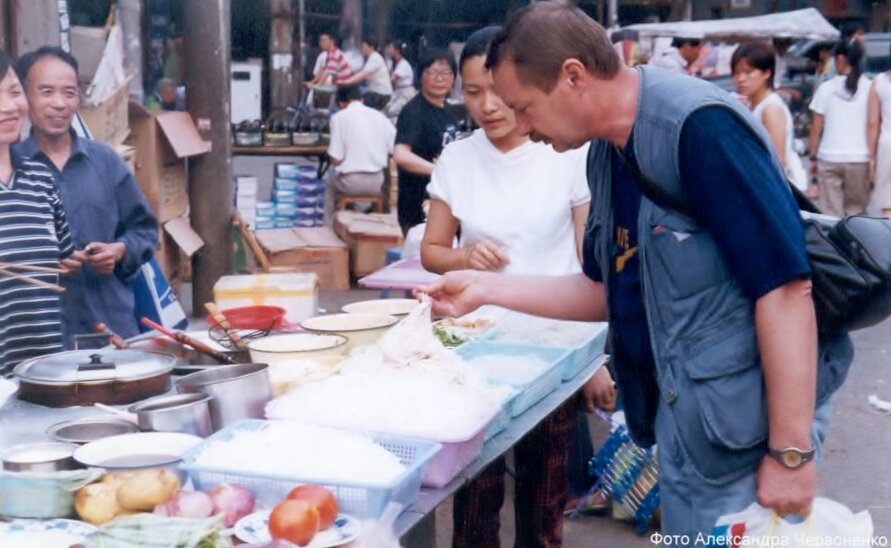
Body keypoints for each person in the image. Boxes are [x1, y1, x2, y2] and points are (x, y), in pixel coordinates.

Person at [421, 2, 853, 535]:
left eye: (525, 107)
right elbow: (604, 290)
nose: (523, 127)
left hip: (744, 436)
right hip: (688, 429)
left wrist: (792, 454)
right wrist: (484, 289)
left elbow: (785, 290)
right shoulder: (605, 154)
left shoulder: (701, 129)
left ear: (573, 76)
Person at [420, 27, 613, 547]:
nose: (487, 105)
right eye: (472, 91)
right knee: (474, 497)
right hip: (476, 349)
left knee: (543, 499)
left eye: (496, 90)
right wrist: (464, 257)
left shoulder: (568, 153)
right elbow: (432, 251)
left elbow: (588, 264)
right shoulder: (459, 158)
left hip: (551, 351)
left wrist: (596, 359)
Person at [14, 47, 158, 348]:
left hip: (112, 328)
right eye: (46, 92)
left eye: (69, 93)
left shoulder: (106, 162)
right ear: (24, 97)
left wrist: (119, 250)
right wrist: (44, 261)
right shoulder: (12, 169)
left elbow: (145, 230)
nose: (59, 104)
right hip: (41, 336)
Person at [0, 52, 84, 373]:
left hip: (43, 372)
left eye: (13, 91)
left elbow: (61, 259)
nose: (9, 106)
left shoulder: (40, 179)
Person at [393, 48, 459, 234]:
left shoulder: (449, 111)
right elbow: (401, 155)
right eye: (432, 72)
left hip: (446, 203)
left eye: (445, 72)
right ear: (420, 76)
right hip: (418, 206)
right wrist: (438, 170)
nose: (439, 78)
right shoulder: (413, 111)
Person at [732, 42, 807, 191]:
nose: (740, 79)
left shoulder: (771, 109)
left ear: (766, 73)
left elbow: (777, 163)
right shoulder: (751, 105)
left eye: (748, 72)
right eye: (736, 73)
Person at [808, 40, 871, 217]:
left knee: (830, 215)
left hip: (829, 158)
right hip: (860, 159)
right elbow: (874, 124)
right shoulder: (869, 88)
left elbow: (815, 128)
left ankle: (834, 246)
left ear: (840, 59)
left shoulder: (826, 89)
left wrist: (813, 157)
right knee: (857, 215)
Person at [324, 84, 396, 221]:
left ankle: (328, 226)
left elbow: (336, 159)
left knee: (329, 177)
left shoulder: (339, 118)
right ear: (361, 100)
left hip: (350, 183)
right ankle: (358, 213)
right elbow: (394, 149)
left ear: (341, 104)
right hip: (376, 181)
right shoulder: (380, 117)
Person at [868, 52, 891, 219]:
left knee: (888, 205)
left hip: (886, 147)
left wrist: (871, 158)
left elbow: (873, 123)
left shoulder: (879, 82)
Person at [341, 39, 393, 111]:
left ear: (371, 47)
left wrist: (347, 82)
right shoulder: (370, 58)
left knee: (358, 105)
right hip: (375, 92)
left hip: (380, 94)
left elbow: (363, 74)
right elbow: (359, 73)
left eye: (364, 46)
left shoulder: (375, 58)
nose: (362, 48)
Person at [384, 41, 417, 119]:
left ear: (397, 51)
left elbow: (392, 78)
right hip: (398, 92)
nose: (389, 50)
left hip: (406, 93)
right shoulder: (396, 63)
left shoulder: (404, 64)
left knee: (392, 111)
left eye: (391, 48)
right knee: (386, 109)